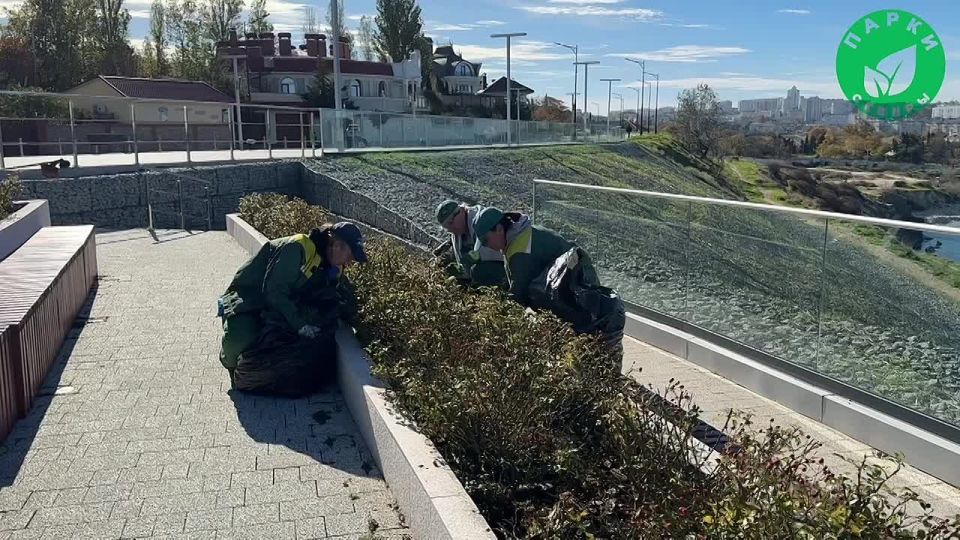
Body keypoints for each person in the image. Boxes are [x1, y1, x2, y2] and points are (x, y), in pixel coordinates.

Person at [218, 222, 367, 396]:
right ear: (335, 244)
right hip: (251, 299)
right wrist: (300, 325)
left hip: (284, 305)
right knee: (240, 338)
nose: (350, 261)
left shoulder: (333, 266)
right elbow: (275, 292)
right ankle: (230, 363)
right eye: (350, 255)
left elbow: (339, 296)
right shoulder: (297, 248)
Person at [473, 206, 625, 360]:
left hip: (579, 287)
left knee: (591, 342)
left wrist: (496, 321)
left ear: (499, 229)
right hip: (570, 284)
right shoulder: (522, 233)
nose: (486, 245)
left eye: (486, 240)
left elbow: (518, 295)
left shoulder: (520, 251)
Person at [434, 200, 505, 287]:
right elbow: (462, 263)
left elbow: (495, 251)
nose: (450, 229)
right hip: (480, 269)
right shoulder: (457, 234)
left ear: (462, 210)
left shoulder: (480, 221)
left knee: (479, 271)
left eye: (451, 223)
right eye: (447, 227)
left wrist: (469, 260)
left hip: (504, 265)